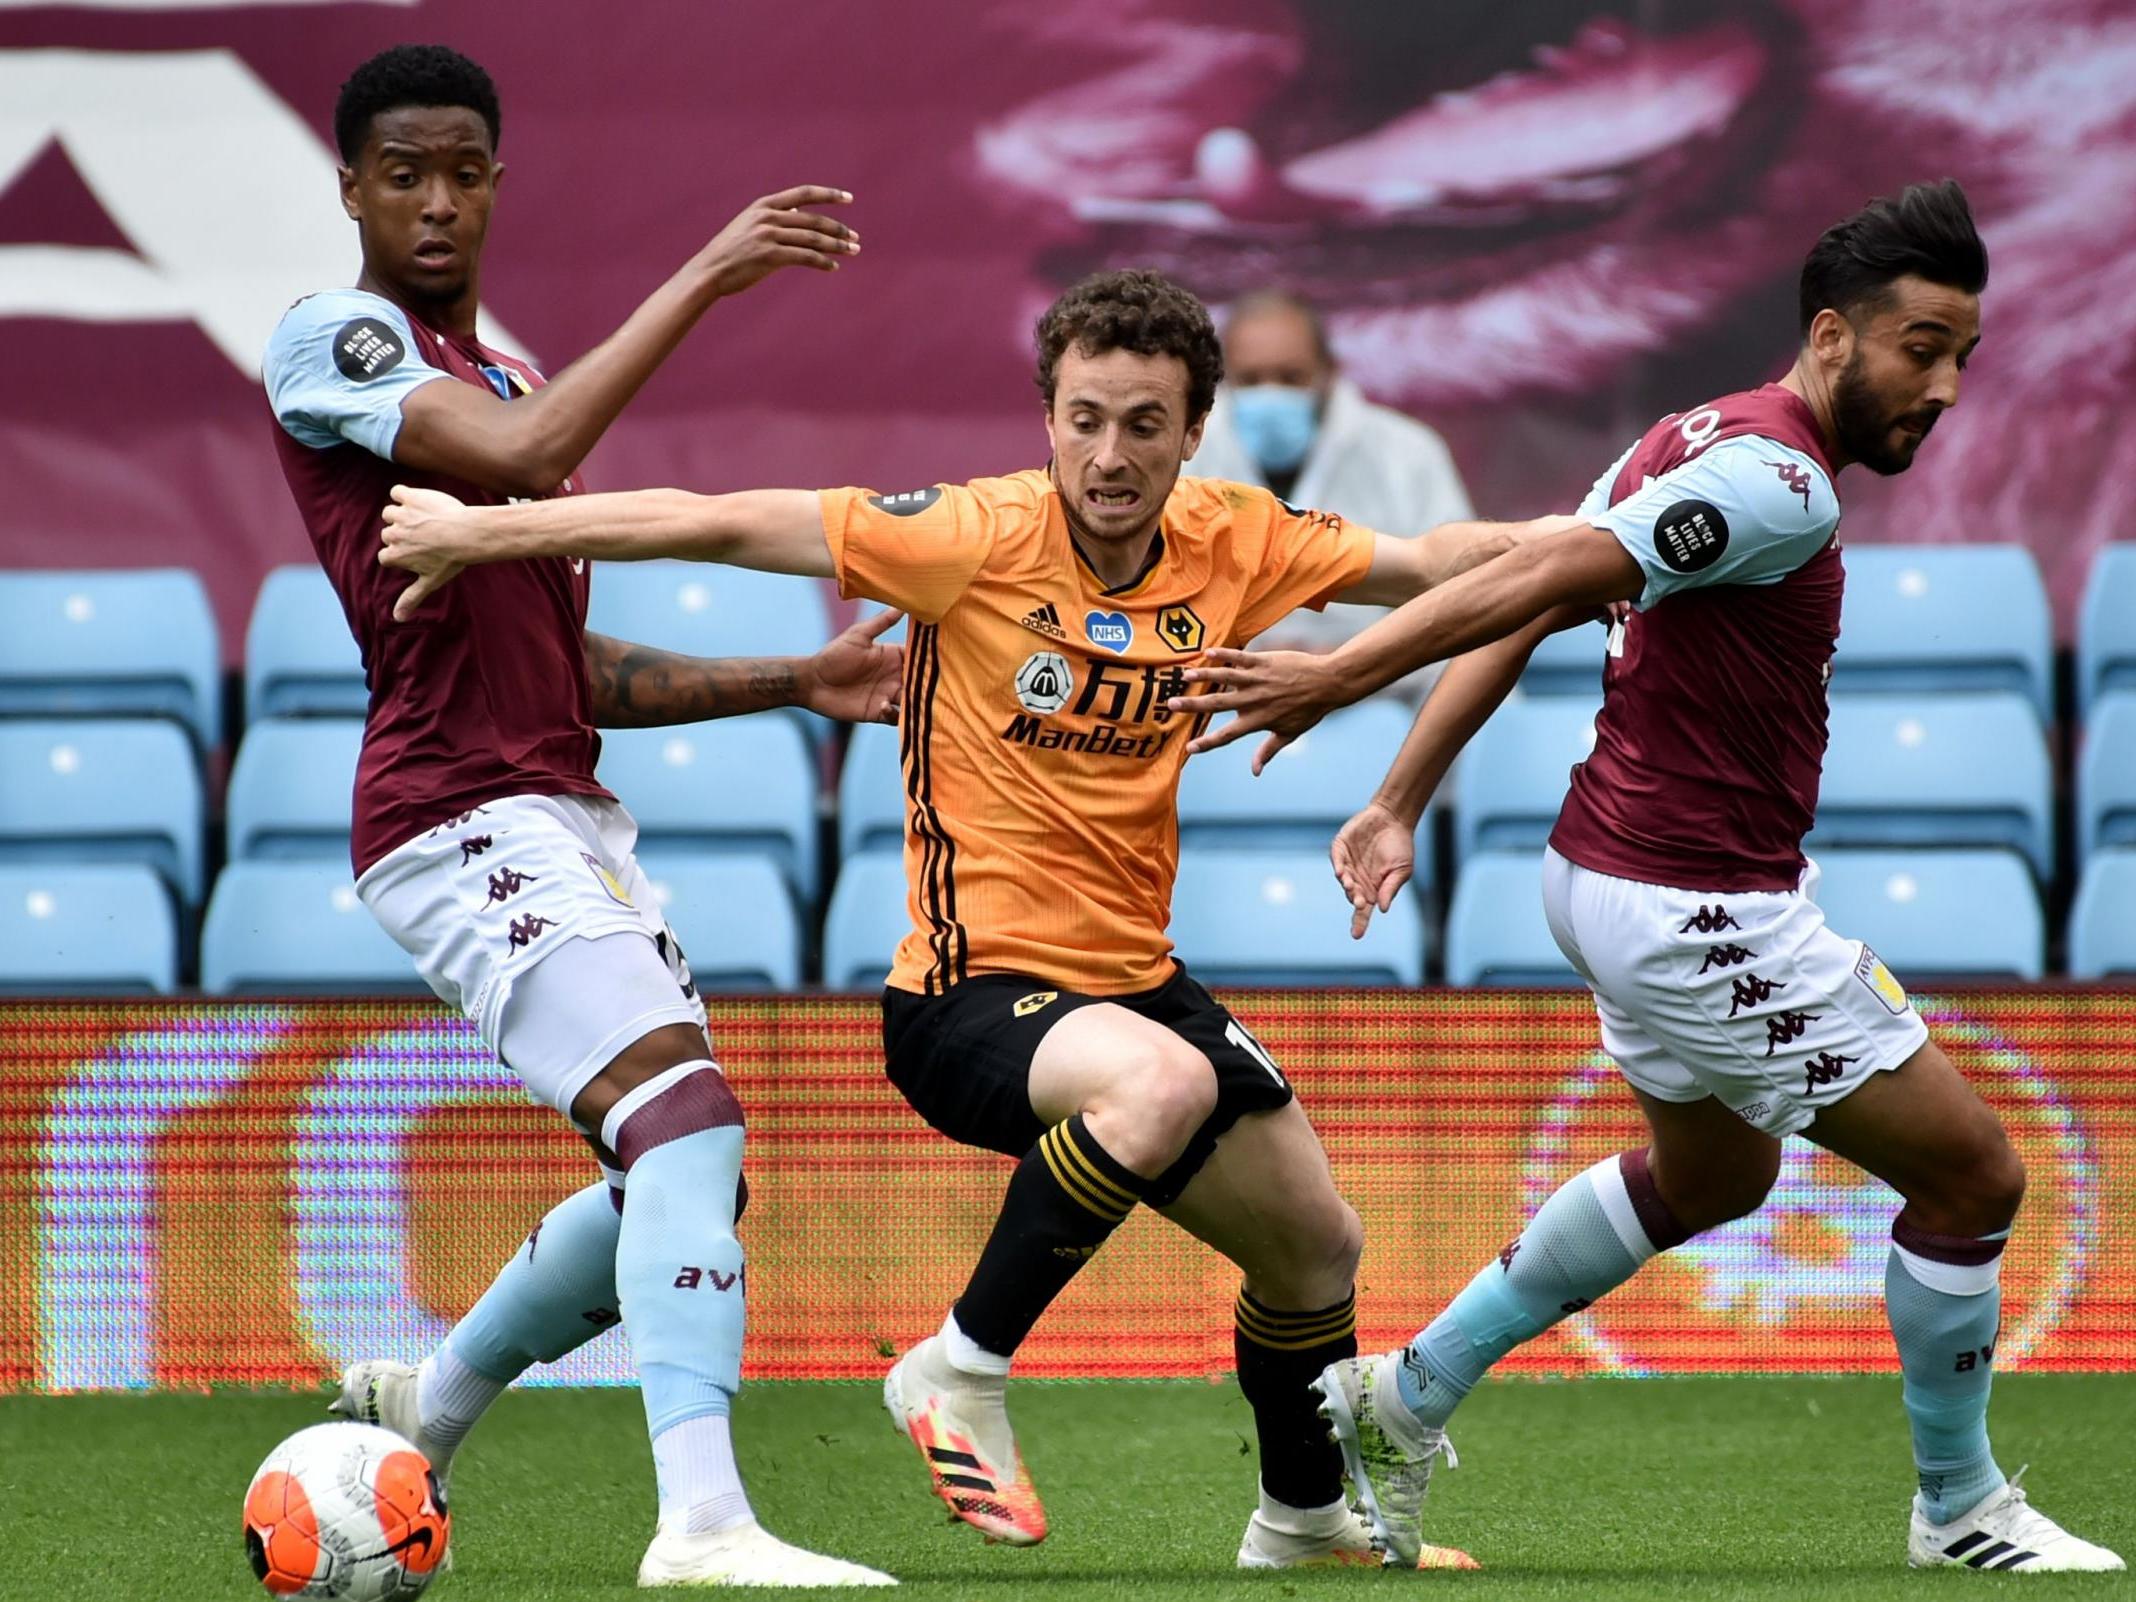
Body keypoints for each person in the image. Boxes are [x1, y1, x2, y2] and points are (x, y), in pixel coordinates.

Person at [373, 268, 1566, 1569]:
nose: (1111, 456)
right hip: (966, 996)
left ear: (1191, 430)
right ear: (1047, 418)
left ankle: (1301, 1515)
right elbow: (710, 519)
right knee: (1160, 1085)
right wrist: (476, 536)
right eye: (1086, 418)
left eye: (1146, 424)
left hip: (1135, 983)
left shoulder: (1240, 537)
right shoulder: (967, 534)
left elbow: (1434, 560)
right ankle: (957, 1368)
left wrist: (1605, 543)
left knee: (1315, 1239)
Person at [1171, 181, 2124, 1574]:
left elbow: (1549, 586)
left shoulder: (1691, 433)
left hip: (1609, 877)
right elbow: (1543, 572)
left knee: (1716, 1173)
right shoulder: (1777, 478)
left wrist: (1398, 794)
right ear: (1832, 336)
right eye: (1921, 346)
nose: (1947, 385)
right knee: (1974, 1175)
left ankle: (1406, 1390)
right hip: (1698, 907)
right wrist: (1342, 676)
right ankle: (1962, 1506)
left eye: (1964, 355)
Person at [262, 44, 899, 1588]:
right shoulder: (333, 342)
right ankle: (701, 1524)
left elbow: (578, 662)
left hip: (555, 805)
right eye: (400, 172)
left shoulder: (510, 379)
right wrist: (707, 274)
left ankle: (432, 1402)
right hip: (453, 810)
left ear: (495, 183)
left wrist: (793, 678)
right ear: (348, 185)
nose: (432, 202)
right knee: (685, 1118)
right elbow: (529, 467)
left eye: (462, 172)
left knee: (677, 1176)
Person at [1191, 290, 1473, 670]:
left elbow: (1460, 595)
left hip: (1385, 694)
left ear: (1328, 371)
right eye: (1251, 380)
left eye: (1291, 378)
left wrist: (1351, 661)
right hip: (1215, 691)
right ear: (1221, 381)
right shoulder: (1187, 454)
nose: (1270, 393)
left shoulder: (1407, 452)